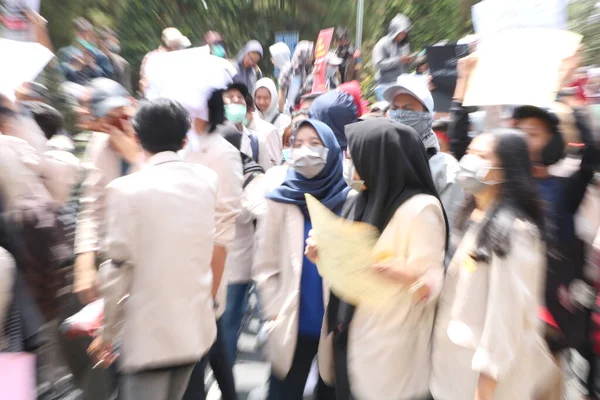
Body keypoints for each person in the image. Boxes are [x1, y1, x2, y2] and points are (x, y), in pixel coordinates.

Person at [303, 119, 447, 400]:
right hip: (346, 335)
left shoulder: (421, 210)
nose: (351, 164)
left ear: (379, 160)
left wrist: (407, 275)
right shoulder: (360, 198)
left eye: (355, 157)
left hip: (389, 348)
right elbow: (350, 267)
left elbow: (432, 286)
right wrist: (324, 255)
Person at [88, 99, 218, 400]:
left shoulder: (125, 190)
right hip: (192, 331)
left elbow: (117, 270)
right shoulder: (207, 181)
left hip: (147, 338)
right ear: (185, 140)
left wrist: (106, 333)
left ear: (135, 137)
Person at [431, 129, 551, 400]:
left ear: (503, 170)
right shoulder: (474, 216)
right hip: (453, 371)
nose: (468, 160)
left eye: (481, 156)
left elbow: (505, 317)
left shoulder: (516, 232)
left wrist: (484, 391)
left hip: (483, 384)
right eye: (469, 152)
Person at [253, 119, 348, 400]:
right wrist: (273, 314)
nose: (305, 150)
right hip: (291, 327)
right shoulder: (280, 199)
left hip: (333, 330)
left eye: (315, 144)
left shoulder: (348, 200)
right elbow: (264, 265)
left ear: (331, 150)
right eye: (298, 144)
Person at [180, 87, 243, 400]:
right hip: (180, 268)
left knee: (197, 358)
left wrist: (211, 289)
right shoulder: (180, 146)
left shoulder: (223, 152)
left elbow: (223, 226)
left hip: (207, 269)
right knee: (212, 347)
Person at [73, 78, 139, 305]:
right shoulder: (99, 144)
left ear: (131, 105)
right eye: (107, 119)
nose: (115, 124)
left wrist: (136, 158)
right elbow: (92, 206)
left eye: (121, 115)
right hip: (116, 253)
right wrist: (84, 260)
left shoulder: (153, 134)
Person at [384, 73, 463, 230]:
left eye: (408, 109)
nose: (399, 114)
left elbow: (449, 227)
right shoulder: (381, 157)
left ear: (426, 115)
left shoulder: (445, 168)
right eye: (395, 108)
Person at [220, 123, 266, 363]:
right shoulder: (208, 168)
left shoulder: (251, 172)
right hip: (208, 258)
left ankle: (224, 370)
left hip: (237, 262)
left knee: (229, 321)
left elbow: (251, 213)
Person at [223, 82, 271, 171]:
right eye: (230, 97)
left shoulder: (258, 142)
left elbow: (266, 178)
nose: (236, 100)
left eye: (240, 97)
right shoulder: (213, 139)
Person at [372, 13, 413, 101]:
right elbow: (379, 64)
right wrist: (399, 60)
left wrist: (412, 60)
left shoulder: (404, 45)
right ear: (395, 30)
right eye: (402, 33)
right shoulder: (382, 43)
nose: (404, 35)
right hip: (385, 85)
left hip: (401, 85)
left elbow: (404, 64)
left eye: (405, 33)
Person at [139, 27, 191, 95]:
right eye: (177, 45)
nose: (178, 48)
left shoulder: (151, 56)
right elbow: (144, 83)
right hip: (159, 99)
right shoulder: (153, 58)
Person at [245, 92, 282, 168]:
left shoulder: (268, 131)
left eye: (266, 98)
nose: (262, 102)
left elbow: (276, 163)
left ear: (250, 110)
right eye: (258, 97)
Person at [278, 41, 314, 114]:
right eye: (310, 54)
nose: (312, 57)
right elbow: (282, 92)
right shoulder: (288, 69)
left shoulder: (309, 69)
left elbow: (307, 89)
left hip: (305, 109)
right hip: (289, 110)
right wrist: (280, 113)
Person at [98, 28, 132, 93]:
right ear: (100, 42)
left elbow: (127, 88)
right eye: (105, 41)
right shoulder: (93, 58)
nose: (106, 44)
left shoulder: (123, 63)